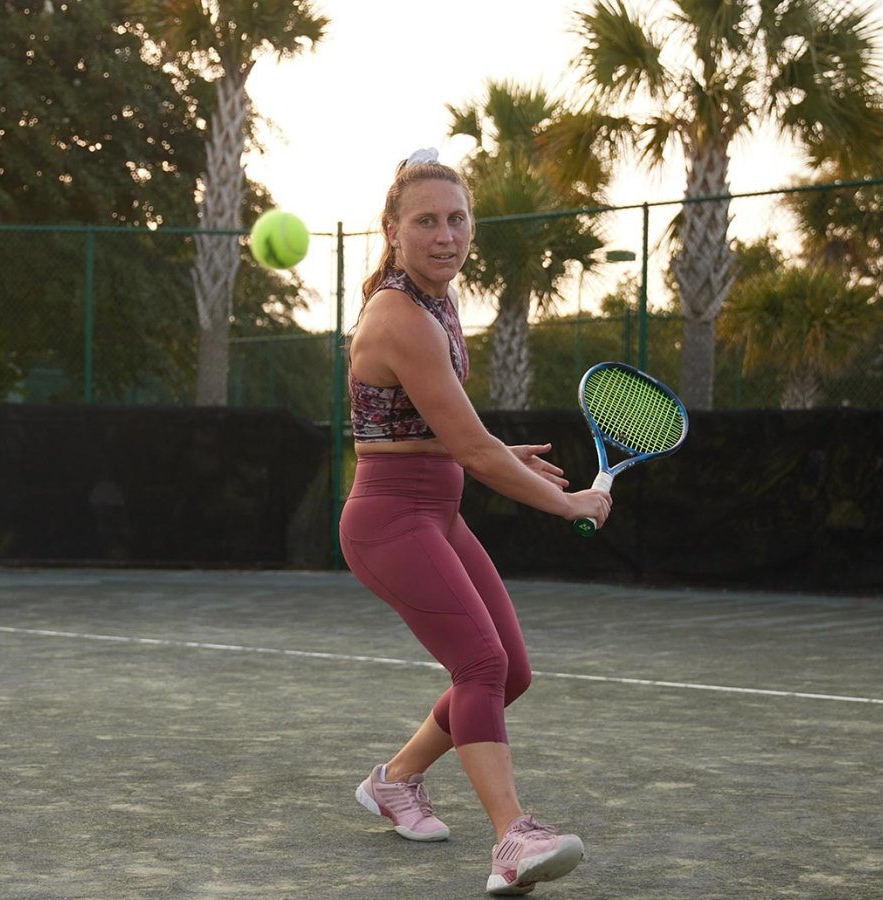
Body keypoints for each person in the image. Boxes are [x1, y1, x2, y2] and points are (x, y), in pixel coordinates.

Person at [341, 148, 613, 896]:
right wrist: (566, 502)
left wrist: (498, 450)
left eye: (457, 219)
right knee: (480, 666)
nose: (445, 235)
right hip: (390, 519)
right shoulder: (399, 313)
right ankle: (513, 839)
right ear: (393, 231)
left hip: (439, 508)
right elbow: (467, 446)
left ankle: (396, 780)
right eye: (426, 221)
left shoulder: (440, 301)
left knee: (509, 672)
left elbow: (444, 431)